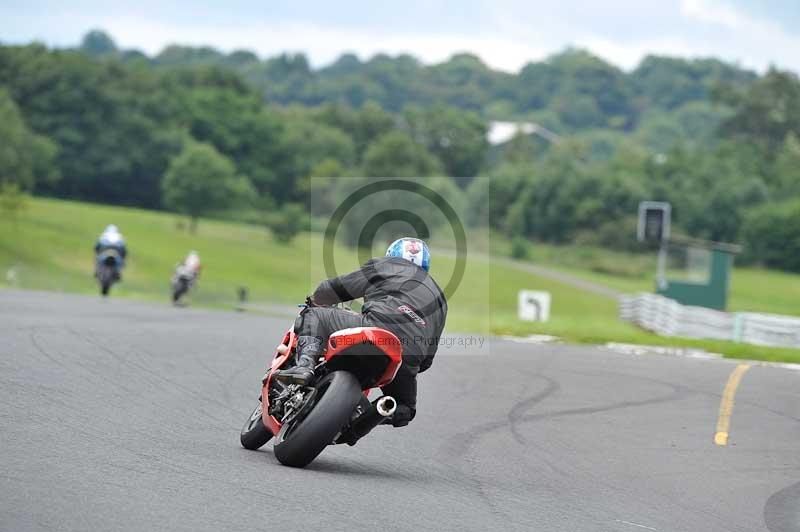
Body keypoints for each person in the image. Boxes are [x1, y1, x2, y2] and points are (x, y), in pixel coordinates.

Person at [275, 237, 448, 428]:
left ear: (393, 255)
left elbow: (332, 289)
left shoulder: (385, 265)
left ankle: (304, 366)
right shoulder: (440, 299)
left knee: (315, 315)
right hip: (408, 355)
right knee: (404, 408)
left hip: (376, 330)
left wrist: (316, 301)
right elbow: (427, 360)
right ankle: (358, 425)